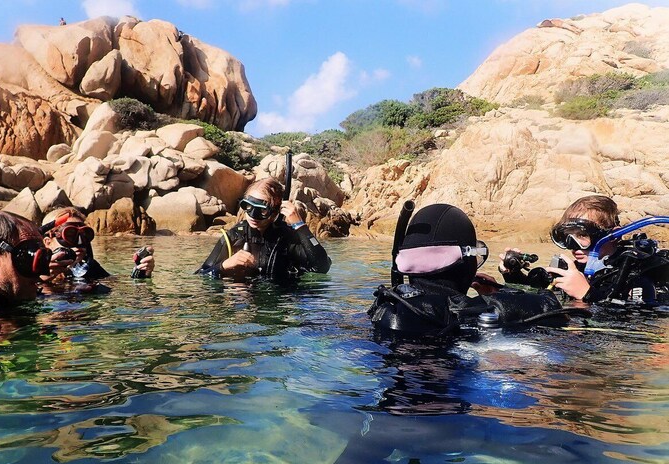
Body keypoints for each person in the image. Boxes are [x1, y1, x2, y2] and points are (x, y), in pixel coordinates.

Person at [369, 201, 571, 336]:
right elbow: (551, 309)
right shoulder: (462, 310)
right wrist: (501, 293)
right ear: (463, 262)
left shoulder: (387, 303)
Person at [499, 195, 668, 304]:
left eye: (582, 236)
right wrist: (512, 274)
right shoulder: (575, 269)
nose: (573, 245)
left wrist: (587, 294)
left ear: (614, 235)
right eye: (567, 237)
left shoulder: (634, 274)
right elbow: (538, 293)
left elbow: (641, 321)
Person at [196, 178, 331, 282]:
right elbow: (201, 275)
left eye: (262, 210)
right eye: (248, 207)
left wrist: (300, 226)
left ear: (275, 212)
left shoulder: (287, 238)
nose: (253, 215)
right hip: (245, 306)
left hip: (282, 304)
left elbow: (321, 267)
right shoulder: (234, 236)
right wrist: (224, 265)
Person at [39, 207, 154, 291]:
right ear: (48, 242)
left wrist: (141, 272)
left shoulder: (89, 268)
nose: (79, 243)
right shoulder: (31, 271)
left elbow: (120, 286)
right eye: (70, 235)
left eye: (84, 235)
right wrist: (42, 278)